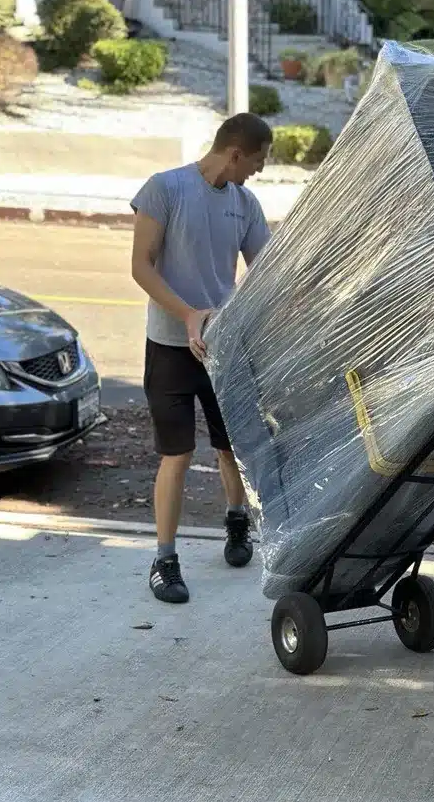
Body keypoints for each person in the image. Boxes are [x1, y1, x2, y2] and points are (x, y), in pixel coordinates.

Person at [130, 113, 274, 604]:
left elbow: (267, 273)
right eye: (257, 160)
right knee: (177, 454)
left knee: (231, 446)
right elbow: (141, 266)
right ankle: (165, 560)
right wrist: (188, 315)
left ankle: (237, 522)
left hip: (223, 348)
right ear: (235, 153)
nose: (259, 170)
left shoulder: (245, 204)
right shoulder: (164, 189)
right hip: (170, 347)